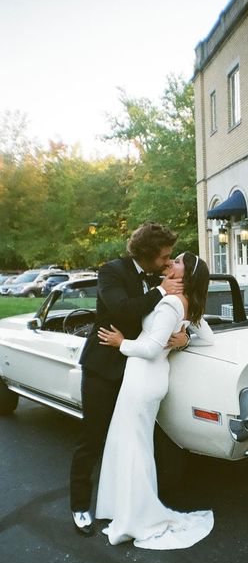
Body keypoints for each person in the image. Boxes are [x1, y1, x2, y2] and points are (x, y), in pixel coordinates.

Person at [70, 222, 188, 536]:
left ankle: (133, 505)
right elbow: (121, 309)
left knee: (138, 439)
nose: (168, 261)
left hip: (138, 370)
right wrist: (162, 290)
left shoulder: (161, 277)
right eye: (164, 256)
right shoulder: (111, 271)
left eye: (170, 256)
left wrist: (183, 337)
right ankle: (81, 506)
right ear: (147, 255)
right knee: (92, 438)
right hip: (103, 367)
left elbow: (174, 317)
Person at [95, 252, 214, 550]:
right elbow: (208, 336)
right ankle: (124, 509)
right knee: (133, 444)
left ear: (184, 276)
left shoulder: (172, 303)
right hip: (149, 377)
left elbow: (149, 348)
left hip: (144, 377)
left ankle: (137, 518)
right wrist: (186, 338)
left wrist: (120, 343)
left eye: (176, 263)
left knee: (134, 447)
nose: (169, 264)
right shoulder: (185, 303)